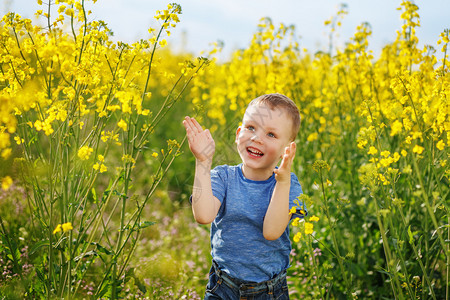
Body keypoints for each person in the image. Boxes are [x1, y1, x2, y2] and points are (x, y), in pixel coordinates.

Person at [182, 93, 306, 300]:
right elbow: (203, 216)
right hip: (223, 286)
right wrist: (203, 162)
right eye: (251, 128)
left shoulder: (288, 185)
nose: (257, 138)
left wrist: (282, 182)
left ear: (287, 149)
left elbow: (272, 231)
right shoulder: (223, 176)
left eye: (271, 135)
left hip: (269, 292)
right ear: (238, 134)